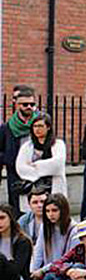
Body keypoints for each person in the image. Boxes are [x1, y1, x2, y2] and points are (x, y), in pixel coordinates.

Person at [16, 112, 67, 208]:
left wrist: (35, 165)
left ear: (48, 127)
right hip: (33, 189)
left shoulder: (58, 144)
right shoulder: (27, 146)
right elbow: (20, 168)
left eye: (40, 126)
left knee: (54, 210)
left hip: (53, 187)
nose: (37, 129)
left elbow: (57, 165)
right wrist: (45, 168)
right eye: (34, 126)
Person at [29, 193, 77, 280]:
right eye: (47, 211)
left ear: (63, 210)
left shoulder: (74, 229)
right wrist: (34, 271)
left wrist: (43, 270)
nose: (50, 214)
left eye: (54, 210)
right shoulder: (45, 227)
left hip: (62, 271)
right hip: (47, 271)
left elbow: (69, 260)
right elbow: (39, 251)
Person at [1, 85, 38, 214]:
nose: (29, 107)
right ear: (17, 105)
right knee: (17, 209)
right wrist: (9, 159)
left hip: (37, 171)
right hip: (15, 174)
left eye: (32, 104)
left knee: (38, 206)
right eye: (25, 104)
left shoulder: (40, 124)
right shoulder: (7, 128)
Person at [0, 204, 34, 280]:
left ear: (11, 219)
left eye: (2, 218)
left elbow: (16, 270)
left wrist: (3, 260)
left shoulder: (22, 241)